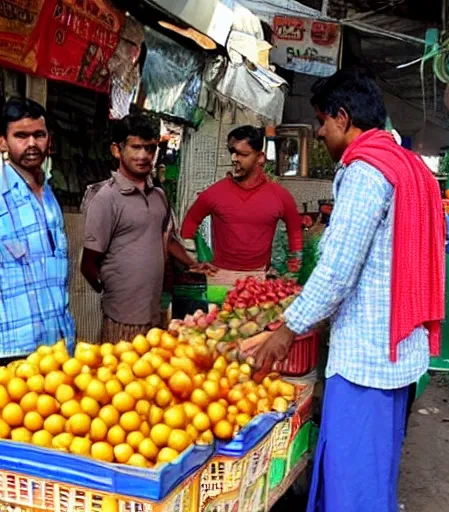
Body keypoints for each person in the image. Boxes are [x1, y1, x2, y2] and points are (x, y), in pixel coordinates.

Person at [251, 70, 445, 512]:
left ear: (343, 118)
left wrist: (288, 329)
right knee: (374, 473)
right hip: (396, 353)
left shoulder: (365, 170)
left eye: (321, 121)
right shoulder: (407, 165)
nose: (319, 131)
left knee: (353, 483)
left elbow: (337, 271)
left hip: (365, 362)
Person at [81, 114, 209, 343]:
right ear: (116, 150)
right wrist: (116, 290)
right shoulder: (106, 198)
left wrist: (193, 265)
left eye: (149, 149)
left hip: (154, 312)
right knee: (116, 375)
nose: (143, 156)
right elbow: (89, 264)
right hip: (121, 317)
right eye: (135, 147)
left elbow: (165, 239)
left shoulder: (159, 196)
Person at [0, 97, 75, 365]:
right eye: (21, 135)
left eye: (38, 135)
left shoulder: (48, 193)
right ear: (3, 142)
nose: (32, 143)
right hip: (12, 349)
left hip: (57, 344)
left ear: (49, 140)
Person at [180, 125, 303, 282]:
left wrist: (293, 270)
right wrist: (194, 261)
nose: (235, 159)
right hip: (220, 278)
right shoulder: (214, 193)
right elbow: (190, 223)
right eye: (233, 153)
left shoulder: (280, 195)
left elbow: (295, 230)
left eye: (243, 154)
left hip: (260, 280)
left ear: (260, 157)